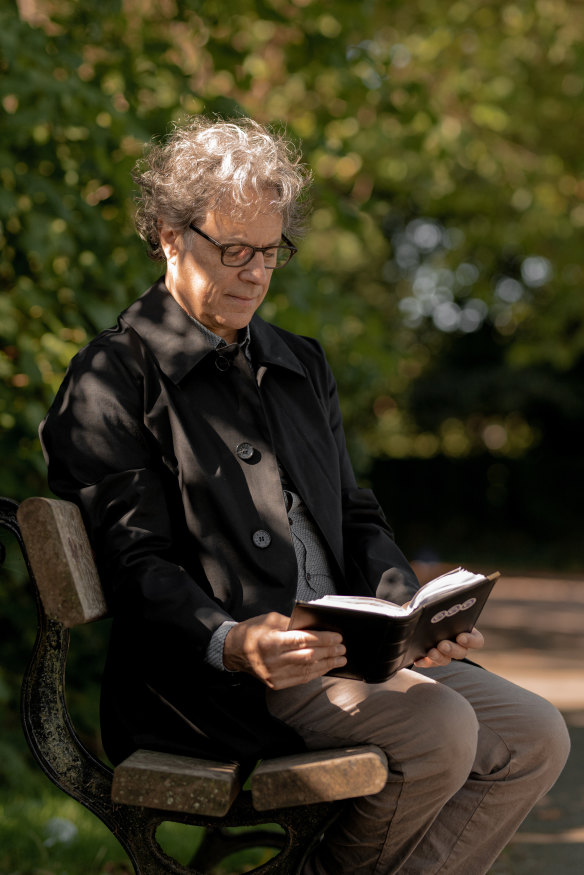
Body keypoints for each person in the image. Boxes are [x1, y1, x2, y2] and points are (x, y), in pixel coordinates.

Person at [40, 116, 569, 874]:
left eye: (271, 251)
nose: (255, 273)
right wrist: (233, 640)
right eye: (233, 250)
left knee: (536, 733)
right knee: (442, 727)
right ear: (167, 234)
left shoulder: (299, 362)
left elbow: (354, 512)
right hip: (219, 684)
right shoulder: (112, 377)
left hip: (353, 655)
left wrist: (410, 616)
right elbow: (135, 563)